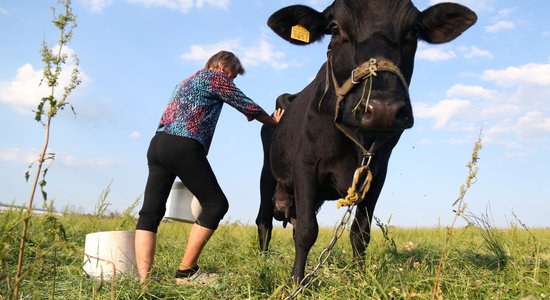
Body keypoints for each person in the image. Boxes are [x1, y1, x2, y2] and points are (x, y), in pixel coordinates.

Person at [134, 50, 284, 284]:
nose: (231, 80)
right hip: (183, 145)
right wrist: (273, 121)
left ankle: (144, 280)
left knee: (150, 214)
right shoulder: (215, 77)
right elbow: (246, 105)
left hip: (158, 145)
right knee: (216, 205)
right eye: (232, 75)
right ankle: (186, 271)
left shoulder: (186, 81)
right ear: (224, 66)